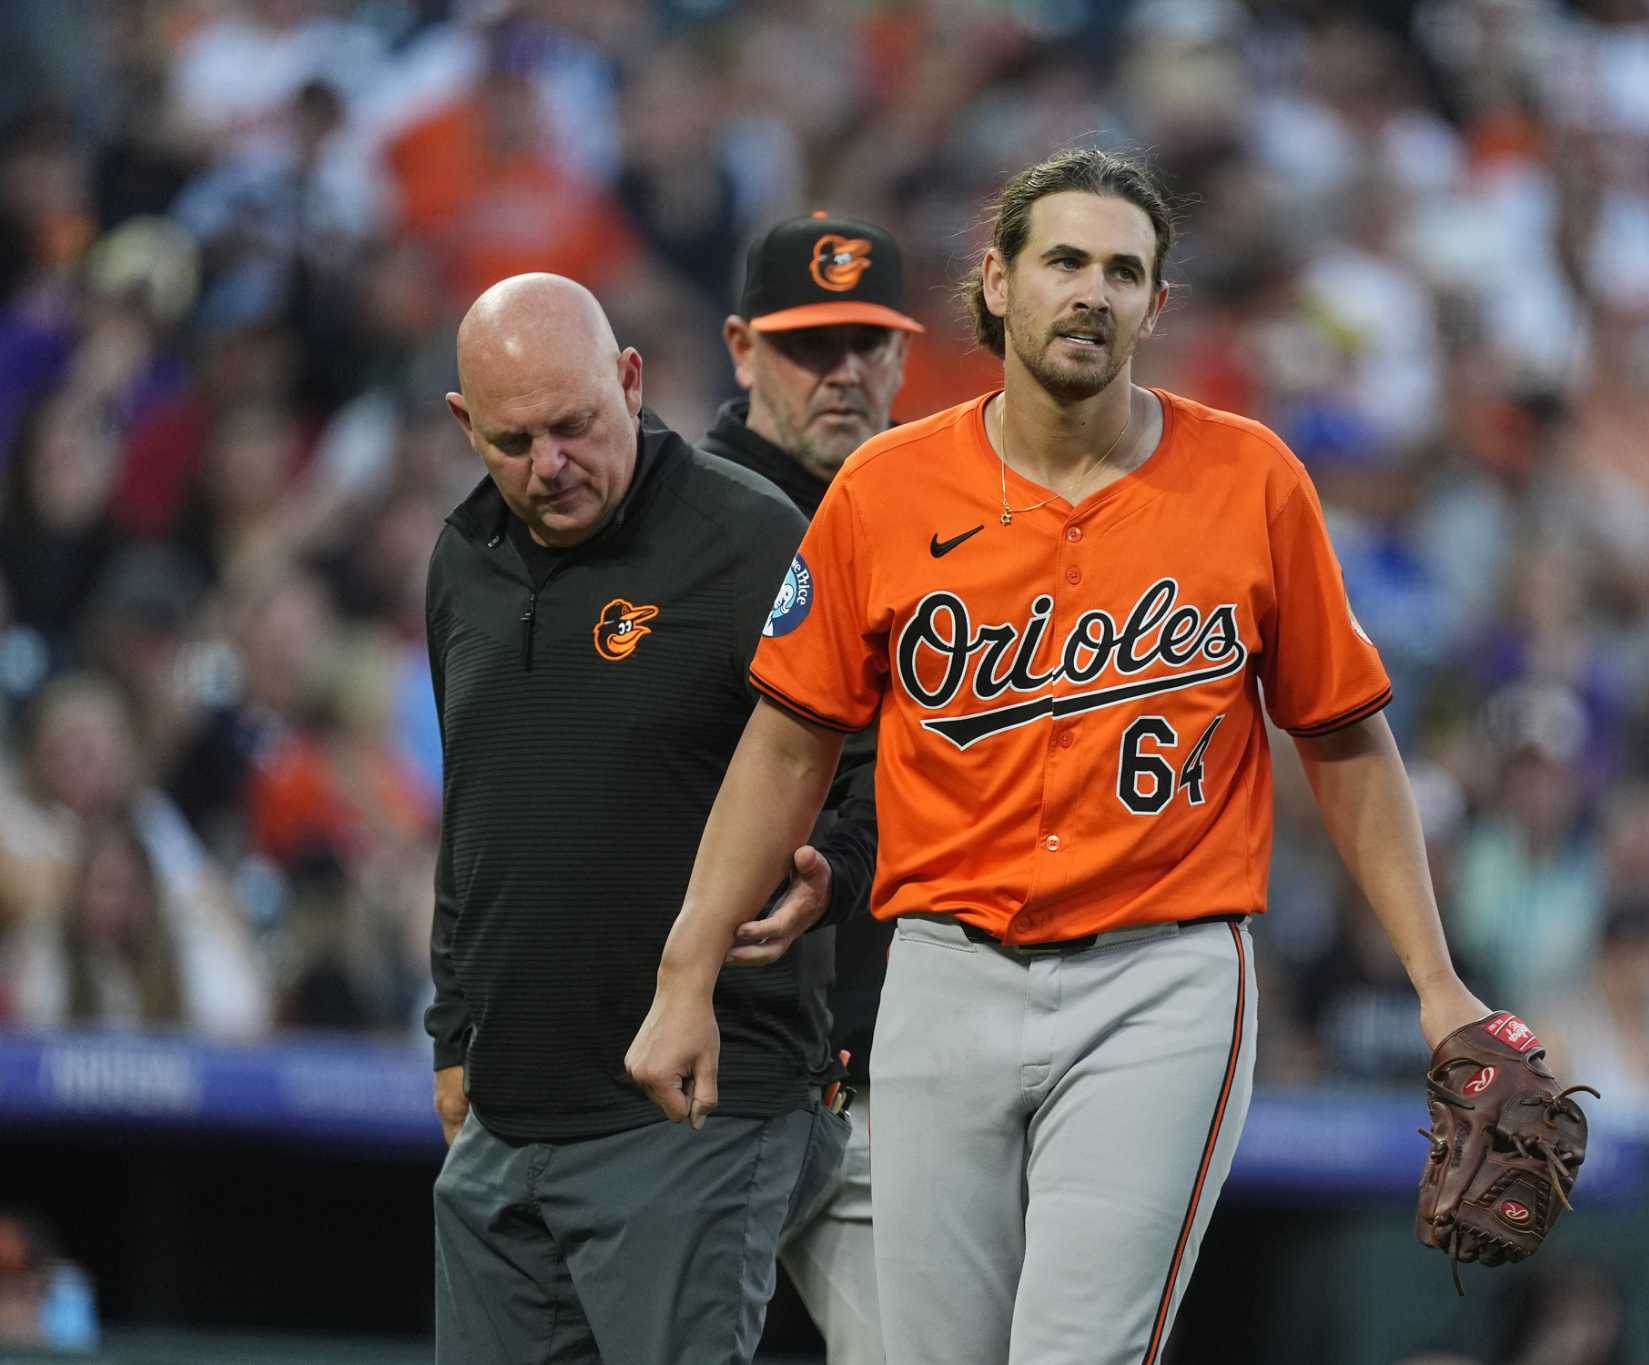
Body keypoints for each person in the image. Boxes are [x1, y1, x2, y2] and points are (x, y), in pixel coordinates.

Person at [627, 148, 1494, 1364]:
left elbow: (1342, 738)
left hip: (1162, 977)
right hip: (939, 972)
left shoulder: (1250, 480)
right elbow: (785, 746)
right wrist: (684, 976)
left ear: (1156, 306)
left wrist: (1434, 979)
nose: (1092, 291)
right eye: (1065, 261)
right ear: (997, 280)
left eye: (1123, 271)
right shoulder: (885, 485)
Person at [426, 272, 873, 1364]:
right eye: (511, 439)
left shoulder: (748, 538)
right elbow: (474, 807)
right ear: (463, 425)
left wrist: (833, 874)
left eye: (573, 426)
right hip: (505, 1114)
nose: (548, 466)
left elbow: (873, 765)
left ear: (630, 381)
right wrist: (452, 1030)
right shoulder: (460, 558)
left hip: (694, 1110)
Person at [698, 212, 922, 1365]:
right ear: (741, 348)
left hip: (879, 1057)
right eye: (808, 345)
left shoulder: (933, 519)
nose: (843, 374)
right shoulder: (682, 525)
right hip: (712, 1055)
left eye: (866, 345)